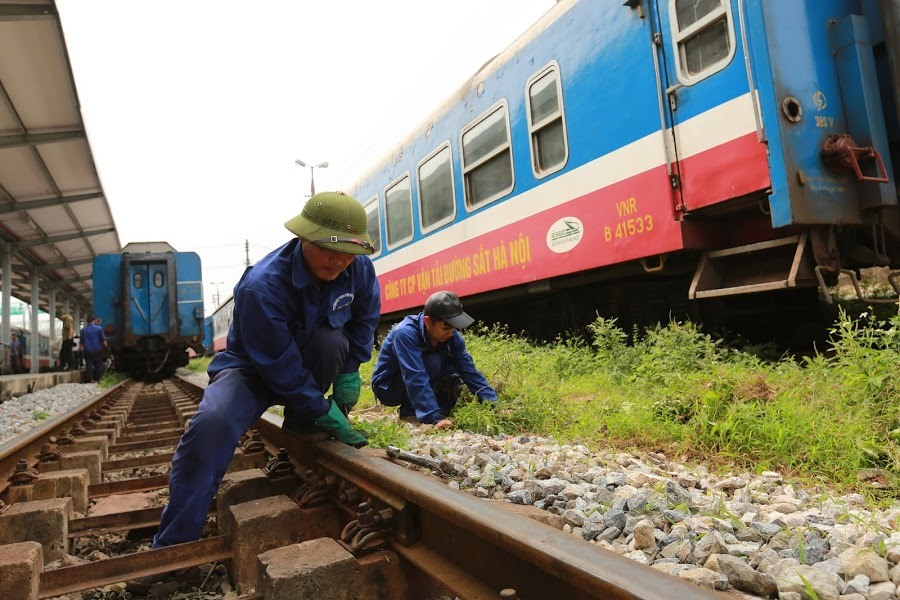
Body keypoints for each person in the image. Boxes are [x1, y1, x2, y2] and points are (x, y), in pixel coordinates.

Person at [151, 191, 380, 550]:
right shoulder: (262, 285)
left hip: (306, 362)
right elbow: (278, 363)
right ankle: (173, 542)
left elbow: (365, 318)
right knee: (212, 423)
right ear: (303, 238)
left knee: (331, 343)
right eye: (329, 249)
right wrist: (321, 407)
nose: (339, 262)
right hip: (251, 370)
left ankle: (303, 431)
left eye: (348, 253)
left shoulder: (357, 268)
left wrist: (350, 369)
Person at [371, 290, 497, 428]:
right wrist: (433, 418)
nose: (451, 333)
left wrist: (494, 404)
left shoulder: (452, 337)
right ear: (427, 322)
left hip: (414, 379)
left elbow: (469, 370)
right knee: (432, 362)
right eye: (446, 328)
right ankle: (413, 414)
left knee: (455, 370)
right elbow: (414, 375)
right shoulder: (405, 333)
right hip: (388, 388)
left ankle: (441, 413)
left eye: (454, 328)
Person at [81, 317, 108, 383]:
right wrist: (106, 347)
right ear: (94, 321)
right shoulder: (99, 328)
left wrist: (81, 350)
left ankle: (91, 379)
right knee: (98, 364)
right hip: (98, 349)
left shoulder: (84, 330)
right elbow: (103, 340)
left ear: (87, 321)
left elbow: (81, 342)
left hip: (87, 350)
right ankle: (99, 379)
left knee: (89, 365)